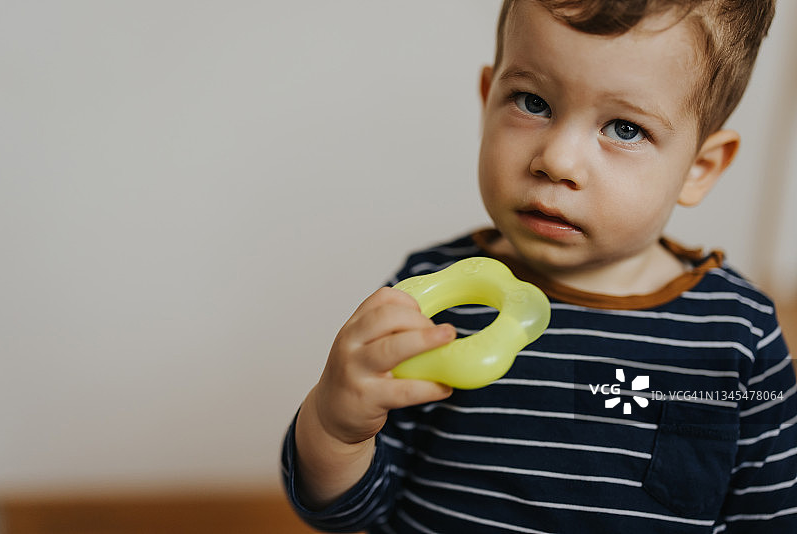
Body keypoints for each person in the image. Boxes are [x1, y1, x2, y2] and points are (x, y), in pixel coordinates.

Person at [281, 0, 796, 531]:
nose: (558, 160)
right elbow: (352, 509)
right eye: (532, 101)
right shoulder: (432, 293)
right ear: (487, 100)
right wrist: (334, 429)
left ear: (699, 168)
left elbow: (771, 516)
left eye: (623, 129)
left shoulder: (738, 335)